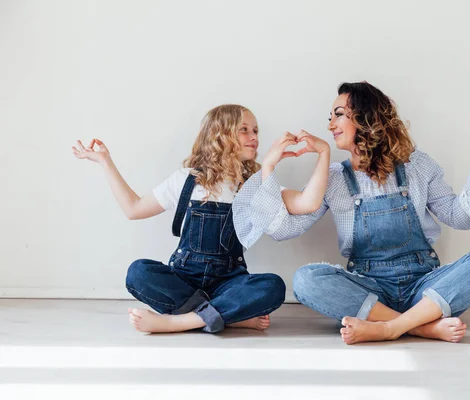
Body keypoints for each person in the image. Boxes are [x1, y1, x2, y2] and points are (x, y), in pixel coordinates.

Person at [233, 82, 470, 344]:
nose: (330, 124)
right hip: (371, 291)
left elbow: (458, 217)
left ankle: (387, 328)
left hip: (425, 287)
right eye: (330, 117)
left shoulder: (417, 165)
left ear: (366, 116)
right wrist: (268, 169)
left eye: (338, 114)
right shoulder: (333, 178)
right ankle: (419, 326)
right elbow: (285, 230)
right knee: (306, 280)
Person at [71, 104, 325, 334]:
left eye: (256, 131)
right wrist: (105, 161)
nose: (254, 137)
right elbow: (133, 208)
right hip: (185, 280)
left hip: (229, 282)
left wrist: (323, 153)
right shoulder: (185, 180)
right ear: (220, 135)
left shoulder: (254, 186)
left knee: (273, 286)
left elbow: (308, 203)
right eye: (244, 130)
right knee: (138, 272)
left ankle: (180, 321)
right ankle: (226, 315)